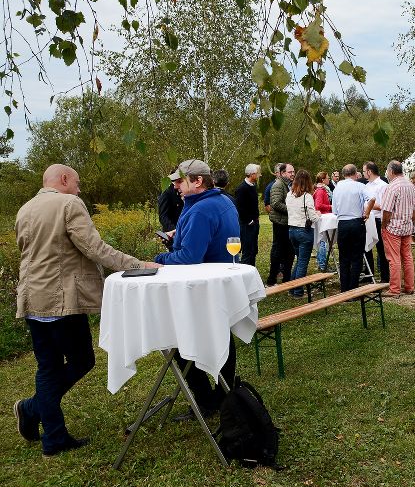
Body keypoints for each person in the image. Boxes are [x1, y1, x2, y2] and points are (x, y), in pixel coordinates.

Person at [13, 164, 159, 457]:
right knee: (82, 360)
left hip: (31, 299)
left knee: (48, 367)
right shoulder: (69, 203)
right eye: (77, 183)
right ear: (64, 179)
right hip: (62, 300)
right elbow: (95, 249)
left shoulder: (25, 209)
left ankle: (51, 435)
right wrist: (140, 265)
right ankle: (32, 409)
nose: (79, 190)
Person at [154, 159, 241, 419]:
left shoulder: (200, 209)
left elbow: (188, 257)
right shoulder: (222, 201)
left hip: (200, 290)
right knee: (222, 337)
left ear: (198, 181)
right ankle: (223, 396)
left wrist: (157, 260)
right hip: (219, 284)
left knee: (177, 343)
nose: (176, 186)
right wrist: (179, 237)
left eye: (180, 181)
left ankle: (206, 401)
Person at [380, 161, 415, 295]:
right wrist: (411, 223)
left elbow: (387, 211)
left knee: (394, 258)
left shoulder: (392, 187)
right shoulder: (411, 186)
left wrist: (383, 226)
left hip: (393, 227)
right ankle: (409, 286)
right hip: (407, 226)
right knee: (407, 257)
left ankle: (394, 289)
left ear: (391, 171)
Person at [332, 164, 368, 291]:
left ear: (343, 174)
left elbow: (334, 210)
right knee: (357, 256)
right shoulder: (360, 186)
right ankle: (353, 287)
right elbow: (372, 199)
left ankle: (344, 288)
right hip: (357, 222)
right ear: (355, 174)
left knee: (344, 257)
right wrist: (367, 212)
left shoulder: (337, 188)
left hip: (342, 223)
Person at [286, 169, 321, 297]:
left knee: (299, 260)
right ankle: (298, 291)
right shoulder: (307, 197)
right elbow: (313, 217)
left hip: (292, 230)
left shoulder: (289, 195)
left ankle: (292, 287)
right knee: (302, 262)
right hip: (304, 231)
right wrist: (318, 215)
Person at [266, 163, 295, 286]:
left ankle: (286, 278)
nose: (293, 174)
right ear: (283, 173)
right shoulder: (278, 185)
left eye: (293, 171)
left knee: (289, 251)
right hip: (280, 223)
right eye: (290, 172)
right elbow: (276, 204)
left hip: (287, 222)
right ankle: (272, 279)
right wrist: (293, 209)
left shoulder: (289, 185)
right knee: (278, 251)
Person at [362, 161, 390, 283]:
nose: (363, 174)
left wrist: (369, 206)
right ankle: (369, 274)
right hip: (367, 219)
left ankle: (385, 277)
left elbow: (383, 206)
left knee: (381, 249)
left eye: (364, 171)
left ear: (369, 172)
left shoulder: (383, 185)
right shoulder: (366, 186)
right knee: (366, 247)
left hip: (378, 219)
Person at [234, 164, 261, 266]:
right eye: (257, 173)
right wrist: (249, 221)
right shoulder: (241, 189)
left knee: (253, 250)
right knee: (247, 250)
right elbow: (240, 208)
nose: (259, 175)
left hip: (254, 224)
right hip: (246, 225)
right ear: (252, 174)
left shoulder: (253, 186)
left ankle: (252, 271)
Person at [313, 171, 333, 271]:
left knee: (323, 241)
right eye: (327, 178)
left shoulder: (323, 189)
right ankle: (322, 264)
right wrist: (330, 206)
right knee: (322, 241)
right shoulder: (321, 191)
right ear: (322, 180)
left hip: (324, 217)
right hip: (322, 218)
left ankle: (322, 263)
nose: (329, 179)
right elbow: (318, 206)